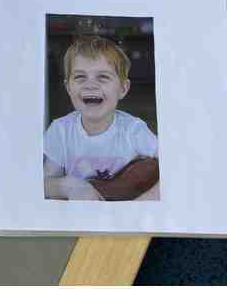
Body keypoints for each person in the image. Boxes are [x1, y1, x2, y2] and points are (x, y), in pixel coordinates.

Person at [44, 35, 159, 201]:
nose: (90, 85)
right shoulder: (61, 131)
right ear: (68, 88)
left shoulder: (134, 130)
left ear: (123, 88)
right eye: (80, 77)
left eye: (103, 77)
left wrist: (141, 204)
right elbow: (45, 183)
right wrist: (71, 186)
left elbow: (174, 164)